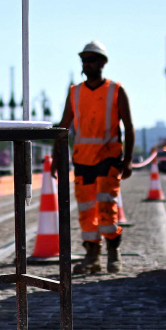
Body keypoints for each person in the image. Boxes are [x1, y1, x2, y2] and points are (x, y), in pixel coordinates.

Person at [54, 41, 135, 274]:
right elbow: (63, 127)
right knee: (86, 211)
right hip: (82, 161)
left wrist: (127, 160)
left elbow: (129, 126)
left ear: (102, 63)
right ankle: (92, 255)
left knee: (106, 208)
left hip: (109, 158)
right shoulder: (75, 92)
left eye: (91, 60)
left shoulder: (116, 90)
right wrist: (55, 158)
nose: (87, 64)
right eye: (84, 60)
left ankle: (113, 250)